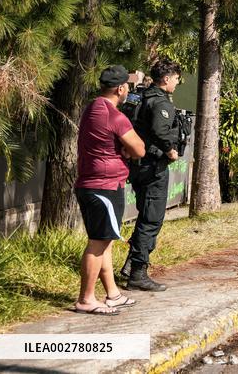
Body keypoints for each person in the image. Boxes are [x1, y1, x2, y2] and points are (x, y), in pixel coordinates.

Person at [74, 65, 146, 315]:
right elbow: (139, 149)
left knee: (105, 241)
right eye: (127, 86)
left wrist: (119, 146)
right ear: (121, 88)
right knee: (98, 243)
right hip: (104, 186)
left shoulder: (92, 108)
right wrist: (126, 148)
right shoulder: (115, 116)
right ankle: (86, 299)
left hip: (90, 183)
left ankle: (112, 294)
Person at [122, 58, 182, 292]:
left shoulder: (140, 97)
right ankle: (138, 273)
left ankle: (130, 265)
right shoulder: (161, 103)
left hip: (137, 166)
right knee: (151, 219)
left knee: (146, 216)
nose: (177, 83)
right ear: (166, 79)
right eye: (176, 79)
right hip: (153, 167)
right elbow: (160, 132)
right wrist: (170, 150)